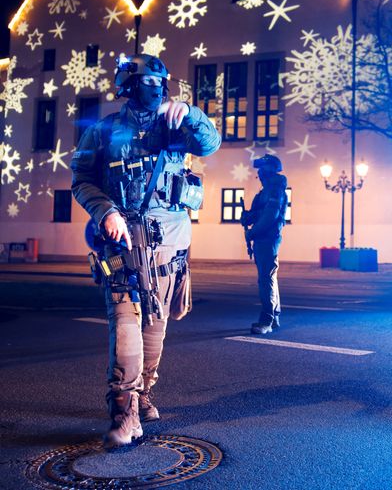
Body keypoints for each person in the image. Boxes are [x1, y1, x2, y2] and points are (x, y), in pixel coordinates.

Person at [70, 54, 220, 448]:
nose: (152, 90)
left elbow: (210, 142)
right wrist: (105, 211)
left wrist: (189, 112)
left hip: (169, 244)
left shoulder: (175, 123)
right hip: (122, 242)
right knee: (125, 323)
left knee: (156, 325)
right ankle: (125, 410)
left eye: (158, 83)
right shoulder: (103, 131)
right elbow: (82, 178)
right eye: (144, 83)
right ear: (127, 86)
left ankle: (144, 393)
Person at [243, 154, 288, 334]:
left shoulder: (275, 191)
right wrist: (248, 217)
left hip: (268, 238)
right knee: (269, 277)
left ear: (268, 171)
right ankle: (274, 316)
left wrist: (252, 232)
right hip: (263, 237)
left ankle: (267, 320)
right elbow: (260, 213)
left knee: (266, 278)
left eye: (261, 171)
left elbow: (270, 216)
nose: (259, 175)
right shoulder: (266, 191)